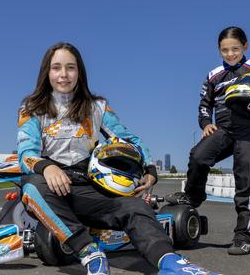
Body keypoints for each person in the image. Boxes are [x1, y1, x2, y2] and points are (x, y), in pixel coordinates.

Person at [17, 42, 218, 275]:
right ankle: (90, 253)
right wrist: (47, 167)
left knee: (134, 205)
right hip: (53, 189)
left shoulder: (96, 107)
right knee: (32, 187)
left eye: (70, 68)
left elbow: (129, 140)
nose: (63, 75)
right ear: (47, 72)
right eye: (56, 68)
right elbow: (26, 154)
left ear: (79, 72)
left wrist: (150, 169)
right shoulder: (31, 108)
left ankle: (171, 263)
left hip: (90, 188)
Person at [167, 26, 250, 255]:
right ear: (219, 50)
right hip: (224, 130)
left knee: (245, 182)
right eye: (225, 50)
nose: (230, 54)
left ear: (245, 46)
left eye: (235, 49)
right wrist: (206, 124)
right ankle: (194, 196)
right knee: (198, 155)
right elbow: (204, 106)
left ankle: (244, 235)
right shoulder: (213, 75)